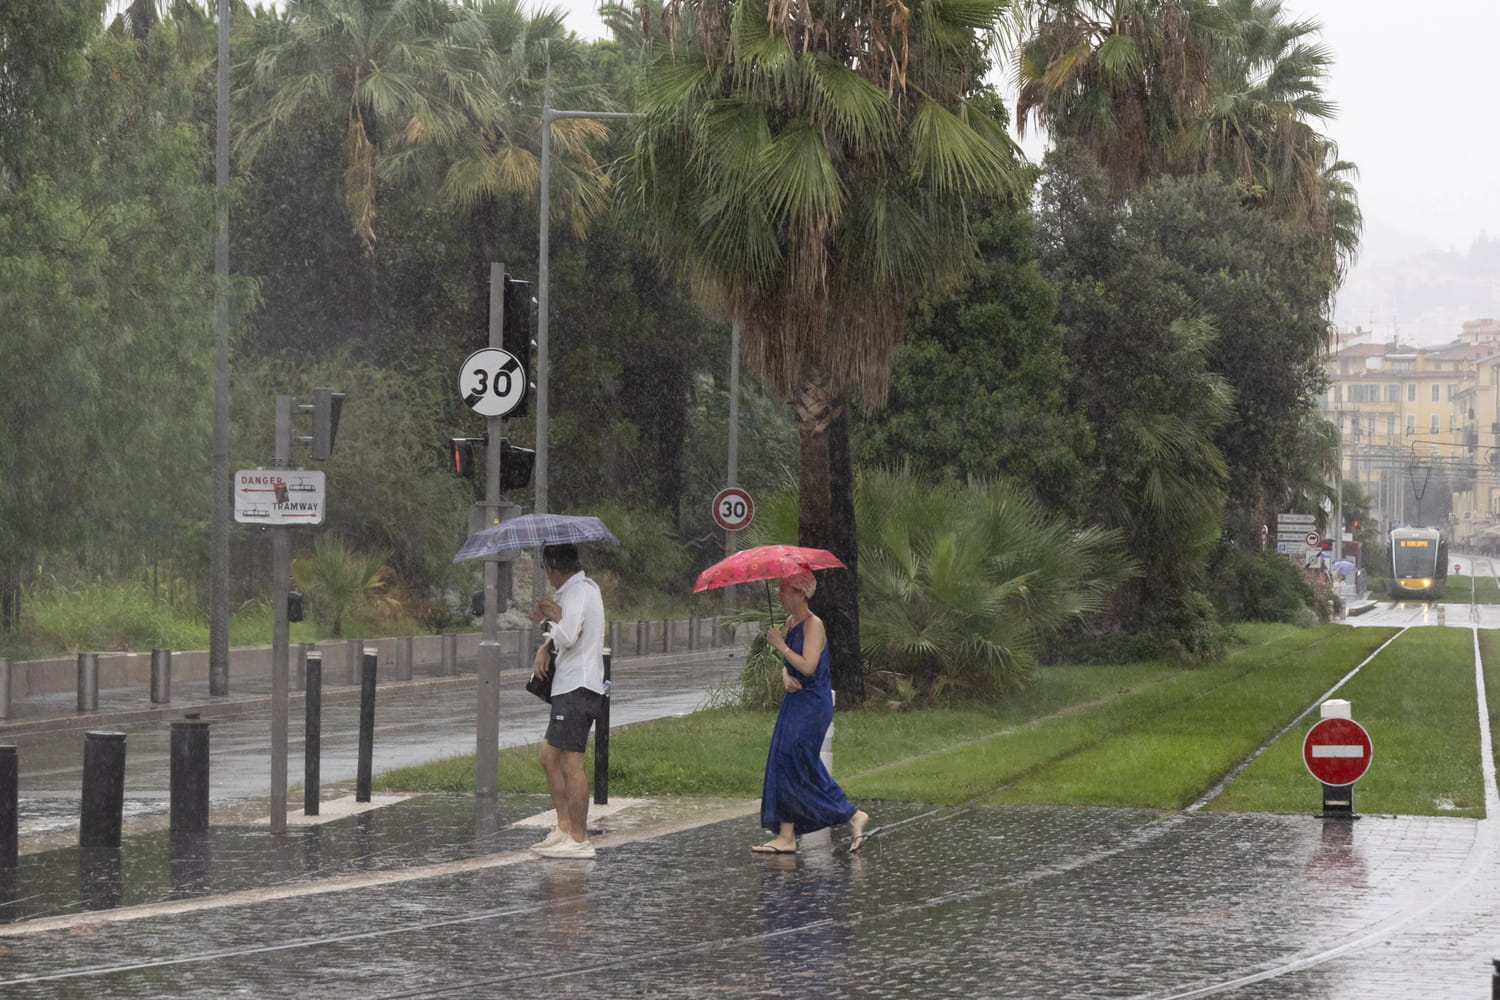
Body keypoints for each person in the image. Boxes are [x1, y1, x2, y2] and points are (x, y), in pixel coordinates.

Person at [753, 570, 869, 855]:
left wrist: (780, 645)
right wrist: (783, 673)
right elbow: (790, 664)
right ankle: (788, 834)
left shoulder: (813, 625)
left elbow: (808, 666)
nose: (779, 595)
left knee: (797, 760)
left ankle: (850, 814)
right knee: (785, 760)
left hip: (813, 704)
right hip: (794, 700)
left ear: (800, 592)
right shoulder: (791, 621)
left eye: (784, 589)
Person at [528, 543, 607, 859]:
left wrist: (548, 624)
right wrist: (546, 641)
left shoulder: (577, 592)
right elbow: (567, 630)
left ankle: (578, 837)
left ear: (551, 566)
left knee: (570, 762)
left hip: (577, 687)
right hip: (571, 686)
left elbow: (569, 634)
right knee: (549, 757)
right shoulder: (585, 588)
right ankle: (563, 827)